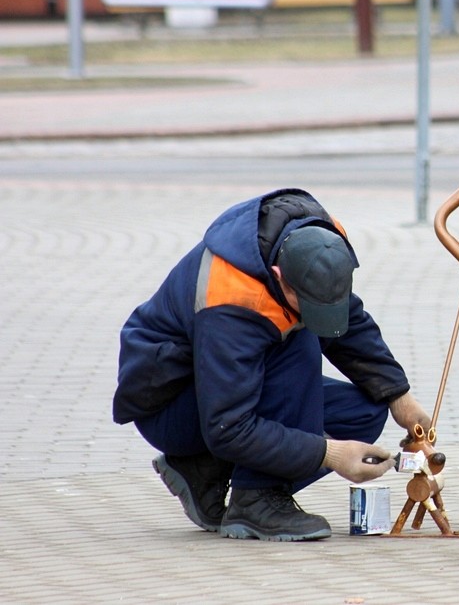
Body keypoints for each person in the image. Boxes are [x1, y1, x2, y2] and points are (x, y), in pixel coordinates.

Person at [113, 188, 432, 541]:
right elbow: (228, 427)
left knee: (364, 413)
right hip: (173, 406)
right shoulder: (230, 299)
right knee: (299, 338)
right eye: (305, 301)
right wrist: (330, 453)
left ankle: (206, 470)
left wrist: (399, 397)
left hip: (230, 391)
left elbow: (347, 321)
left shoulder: (320, 241)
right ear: (279, 275)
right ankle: (256, 502)